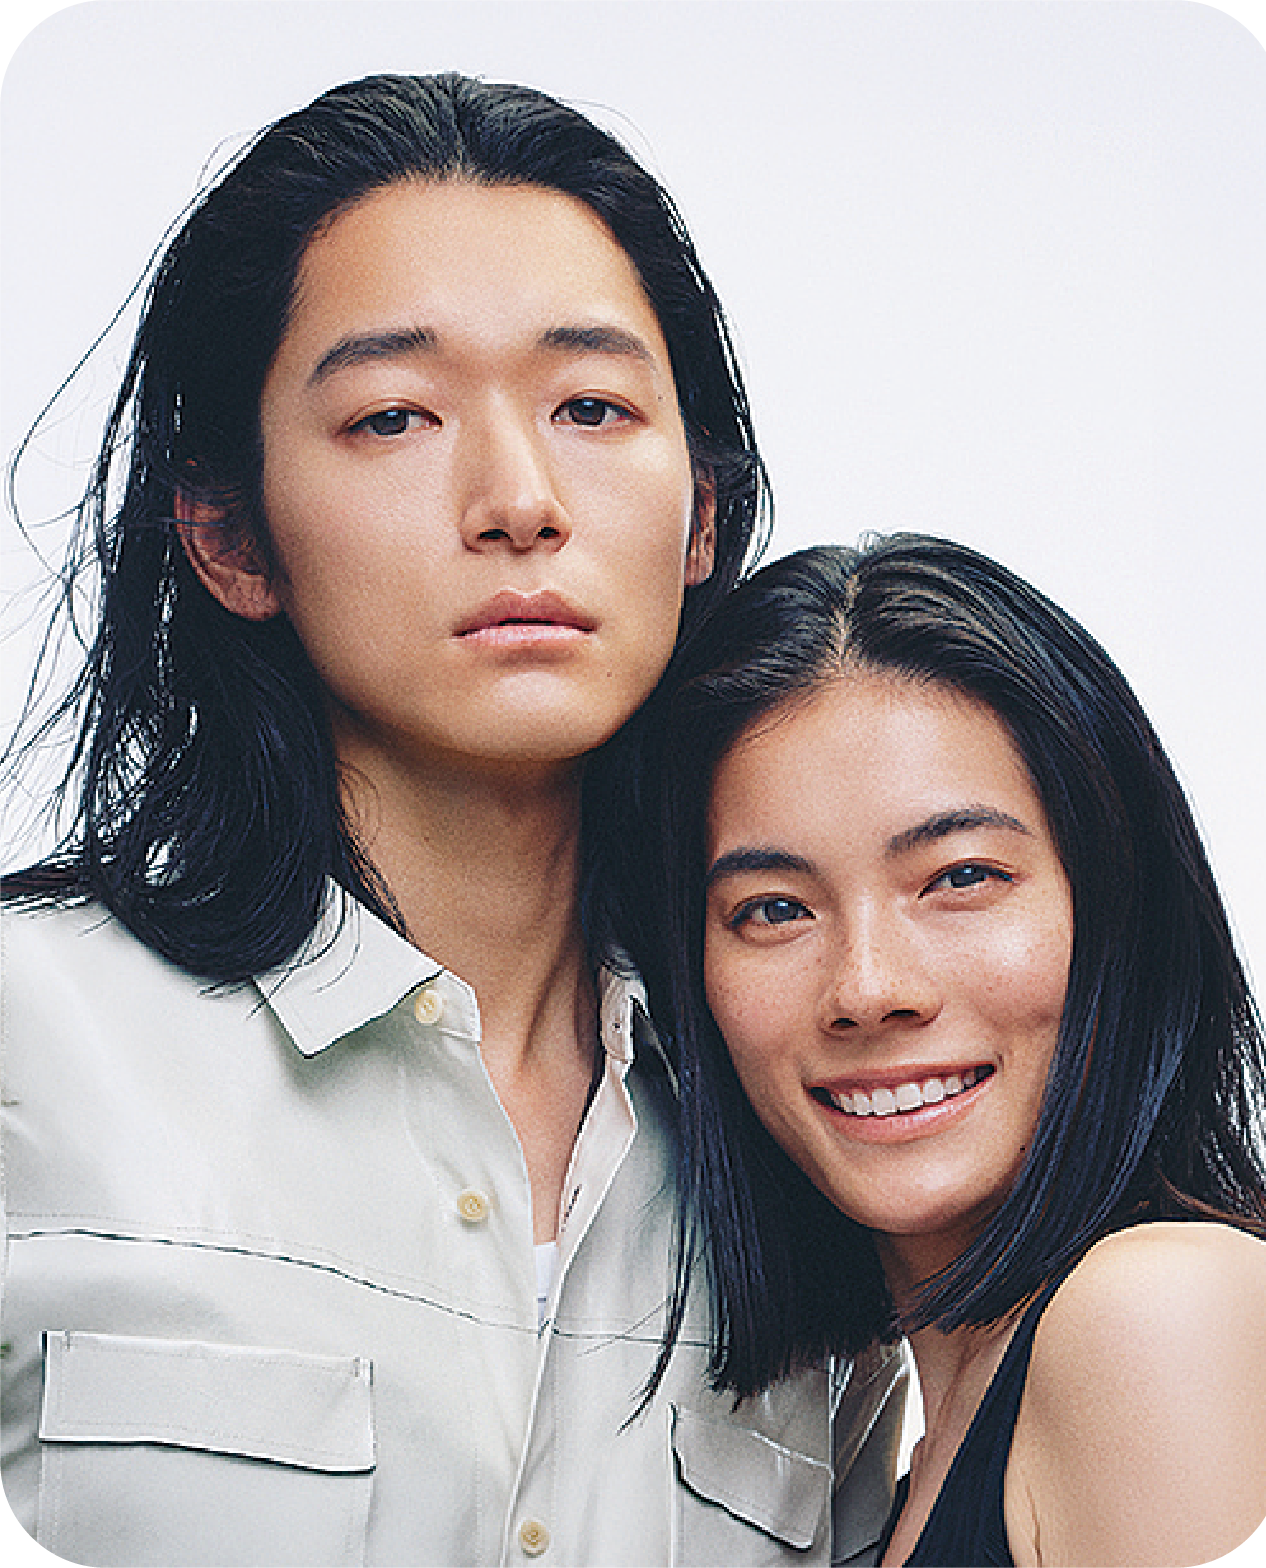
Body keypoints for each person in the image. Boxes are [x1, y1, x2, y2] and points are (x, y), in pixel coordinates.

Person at [0, 74, 905, 1568]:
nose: (519, 500)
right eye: (394, 416)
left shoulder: (809, 1130)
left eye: (592, 406)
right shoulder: (35, 1036)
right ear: (229, 534)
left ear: (701, 514)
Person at [633, 533, 1266, 1567]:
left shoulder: (1154, 1315)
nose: (867, 988)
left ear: (1118, 907)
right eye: (774, 908)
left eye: (961, 877)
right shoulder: (901, 1453)